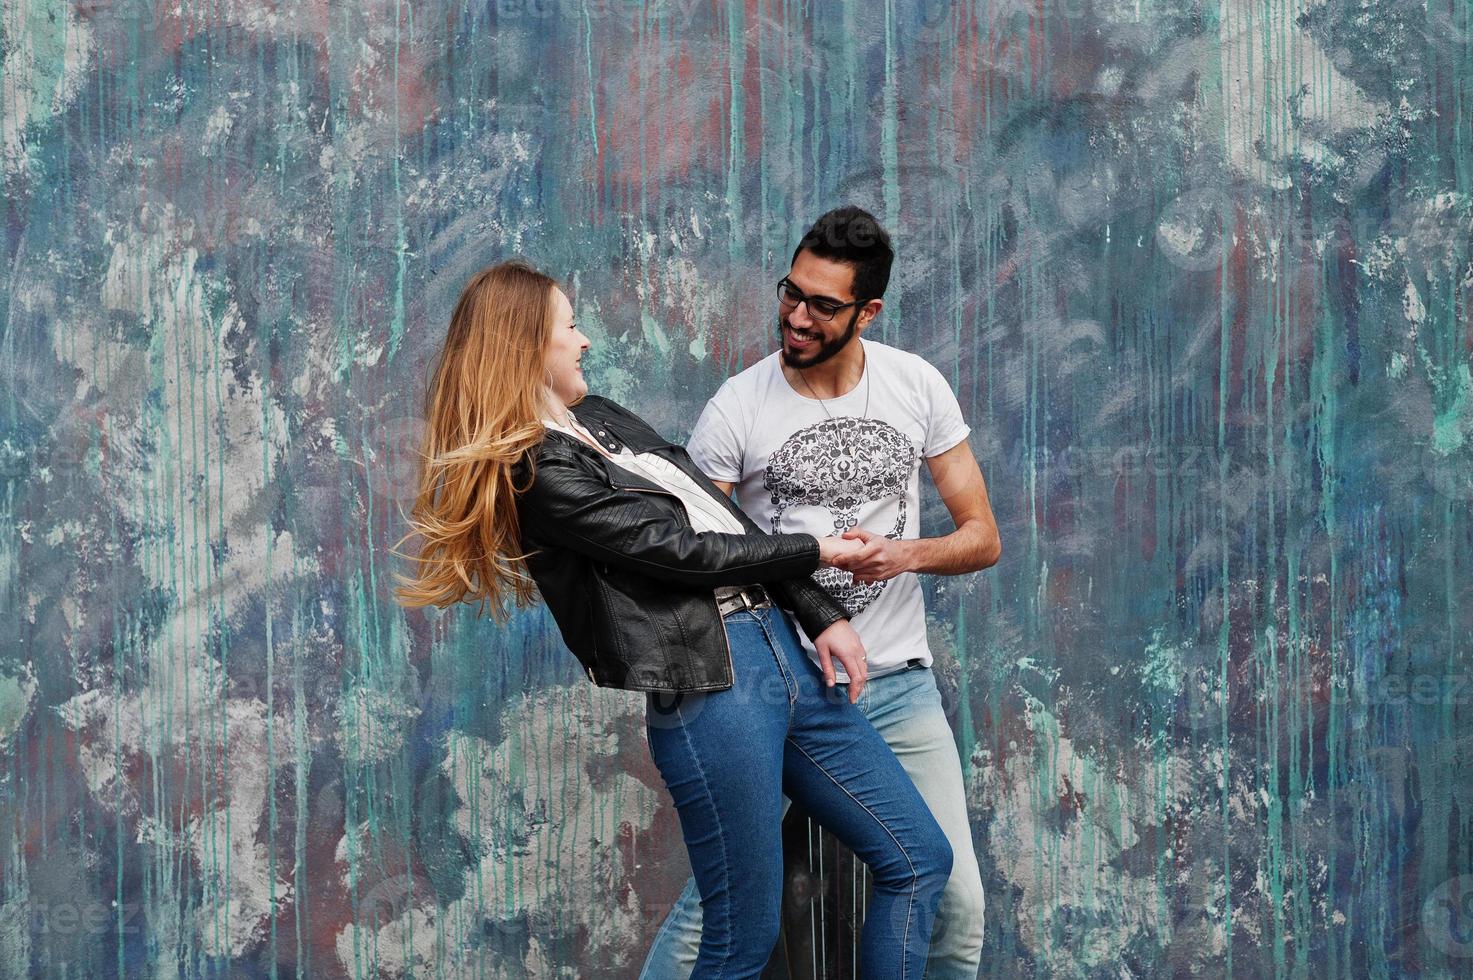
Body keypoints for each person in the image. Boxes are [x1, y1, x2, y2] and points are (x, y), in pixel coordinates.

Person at [392, 259, 954, 978]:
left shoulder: (600, 420)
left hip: (785, 657)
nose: (585, 339)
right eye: (570, 326)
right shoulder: (534, 469)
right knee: (741, 935)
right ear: (529, 343)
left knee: (916, 857)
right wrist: (818, 550)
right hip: (714, 688)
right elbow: (678, 550)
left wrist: (818, 613)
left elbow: (720, 516)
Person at [641, 206, 1001, 980]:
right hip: (779, 692)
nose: (796, 317)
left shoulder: (915, 386)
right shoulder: (736, 408)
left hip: (898, 683)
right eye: (790, 293)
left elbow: (982, 537)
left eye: (822, 305)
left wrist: (903, 554)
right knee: (715, 911)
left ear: (867, 311)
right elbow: (700, 558)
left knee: (956, 904)